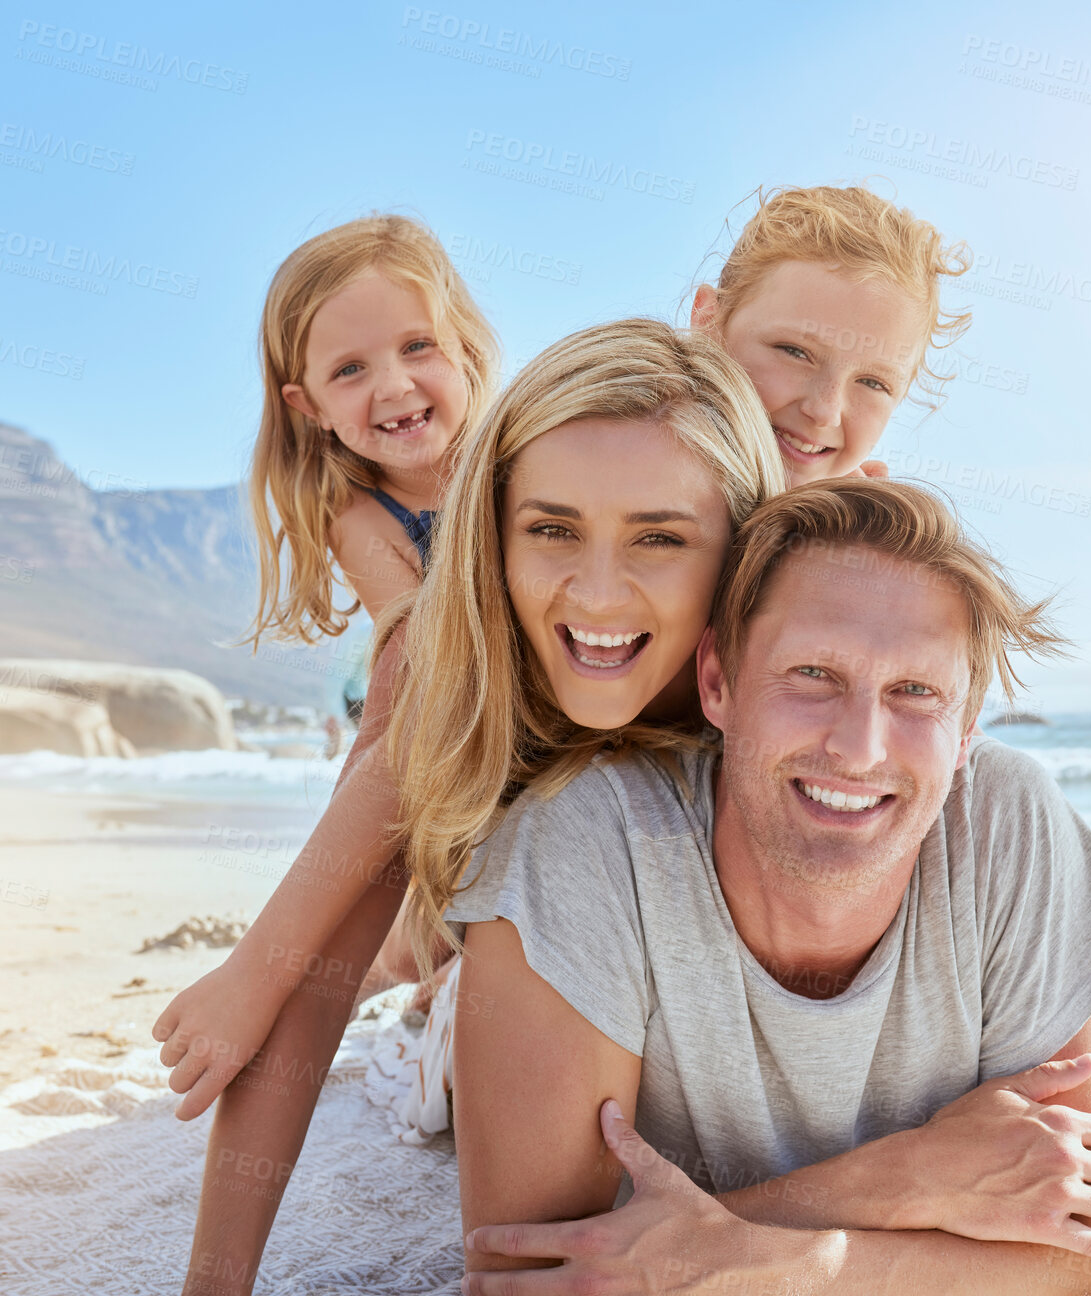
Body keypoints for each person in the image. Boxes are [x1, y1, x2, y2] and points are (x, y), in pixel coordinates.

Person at [450, 478, 1091, 1296]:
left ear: (964, 729)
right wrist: (906, 1178)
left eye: (914, 692)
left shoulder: (1005, 813)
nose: (859, 746)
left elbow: (1082, 1251)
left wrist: (750, 1276)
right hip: (500, 1025)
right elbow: (538, 1278)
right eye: (811, 674)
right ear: (717, 681)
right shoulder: (584, 842)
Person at [151, 183, 970, 1115]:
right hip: (493, 712)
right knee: (423, 779)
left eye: (874, 384)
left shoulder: (823, 522)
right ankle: (421, 960)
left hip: (648, 805)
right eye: (792, 352)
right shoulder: (587, 488)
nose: (824, 409)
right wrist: (262, 971)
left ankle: (428, 957)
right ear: (708, 321)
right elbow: (417, 699)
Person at [246, 211, 499, 645]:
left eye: (418, 346)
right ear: (310, 406)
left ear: (466, 347)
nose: (394, 387)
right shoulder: (359, 519)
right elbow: (430, 660)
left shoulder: (530, 452)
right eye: (349, 370)